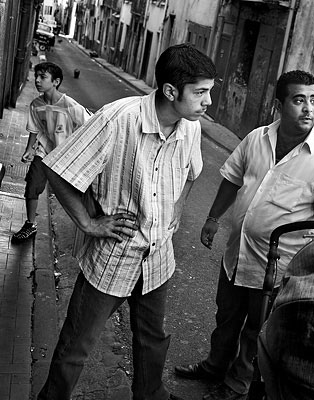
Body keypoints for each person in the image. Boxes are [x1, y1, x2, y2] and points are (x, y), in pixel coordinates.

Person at [37, 43, 217, 400]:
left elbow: (192, 171)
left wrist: (177, 209)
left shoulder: (191, 128)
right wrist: (89, 223)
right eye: (200, 92)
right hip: (112, 258)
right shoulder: (118, 119)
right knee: (76, 346)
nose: (208, 101)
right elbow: (57, 168)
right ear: (170, 91)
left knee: (152, 340)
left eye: (209, 91)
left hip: (158, 259)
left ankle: (151, 395)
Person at [174, 70, 314, 400]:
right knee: (225, 317)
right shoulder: (257, 138)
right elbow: (232, 178)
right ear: (278, 104)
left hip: (278, 269)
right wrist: (212, 218)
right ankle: (214, 365)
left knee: (257, 330)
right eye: (299, 100)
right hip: (237, 254)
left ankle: (235, 387)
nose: (308, 109)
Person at [12, 61, 91, 242]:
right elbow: (34, 128)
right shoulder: (35, 104)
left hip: (65, 156)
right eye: (37, 76)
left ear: (55, 82)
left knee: (75, 194)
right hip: (45, 151)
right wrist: (29, 149)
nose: (37, 80)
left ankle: (88, 228)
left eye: (43, 77)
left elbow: (90, 124)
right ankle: (30, 225)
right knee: (32, 185)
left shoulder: (70, 105)